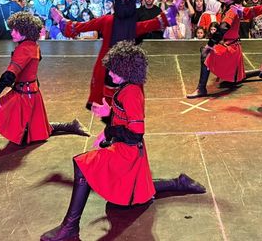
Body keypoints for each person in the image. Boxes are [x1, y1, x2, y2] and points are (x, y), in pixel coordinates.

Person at [40, 41, 206, 241]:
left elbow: (136, 132)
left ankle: (69, 228)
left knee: (83, 166)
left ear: (128, 71)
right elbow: (124, 118)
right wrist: (108, 113)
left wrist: (109, 130)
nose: (110, 75)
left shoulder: (132, 93)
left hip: (127, 152)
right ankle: (179, 183)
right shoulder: (128, 87)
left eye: (115, 71)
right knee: (136, 191)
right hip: (128, 149)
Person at [0, 12, 89, 168]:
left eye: (15, 30)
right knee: (36, 129)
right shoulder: (33, 45)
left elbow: (10, 74)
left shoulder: (24, 49)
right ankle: (71, 125)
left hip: (24, 95)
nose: (12, 32)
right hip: (31, 92)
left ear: (25, 31)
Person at [51, 0, 178, 109]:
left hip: (108, 65)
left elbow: (79, 27)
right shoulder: (134, 25)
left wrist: (61, 20)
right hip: (128, 67)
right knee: (127, 97)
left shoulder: (107, 20)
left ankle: (110, 114)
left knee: (109, 95)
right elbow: (160, 20)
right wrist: (177, 0)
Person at [187, 0, 246, 98]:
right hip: (231, 45)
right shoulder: (229, 7)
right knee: (205, 50)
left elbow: (223, 28)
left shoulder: (232, 10)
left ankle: (201, 88)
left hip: (230, 48)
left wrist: (210, 44)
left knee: (205, 52)